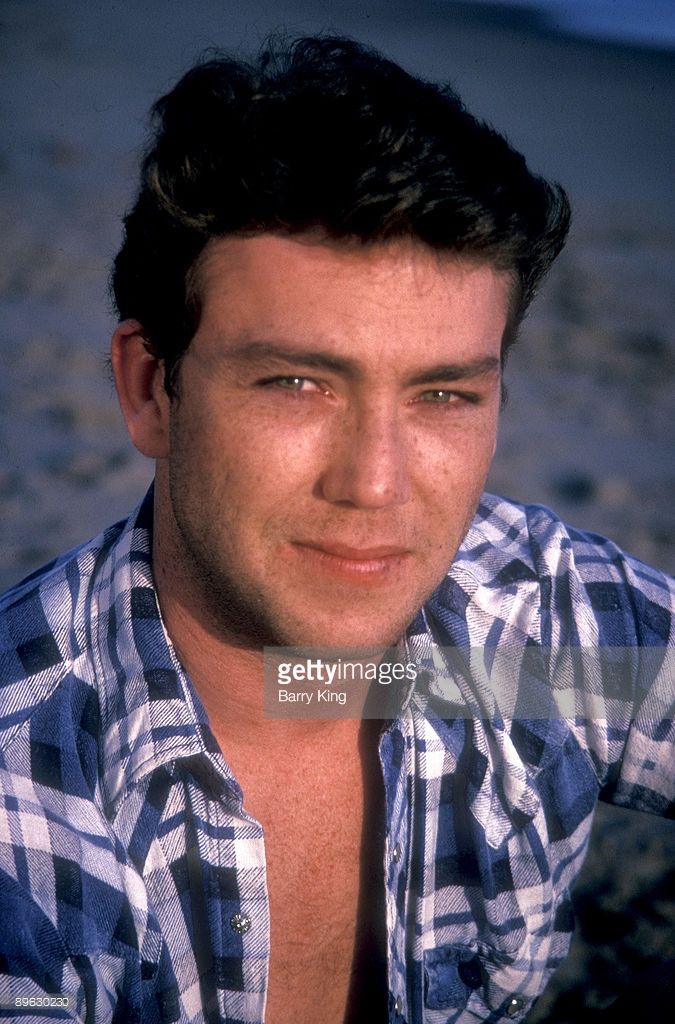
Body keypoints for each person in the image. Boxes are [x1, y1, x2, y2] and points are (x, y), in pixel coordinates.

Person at [0, 34, 672, 1024]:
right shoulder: (25, 796)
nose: (376, 484)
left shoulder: (521, 632)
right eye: (296, 383)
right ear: (150, 390)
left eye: (443, 394)